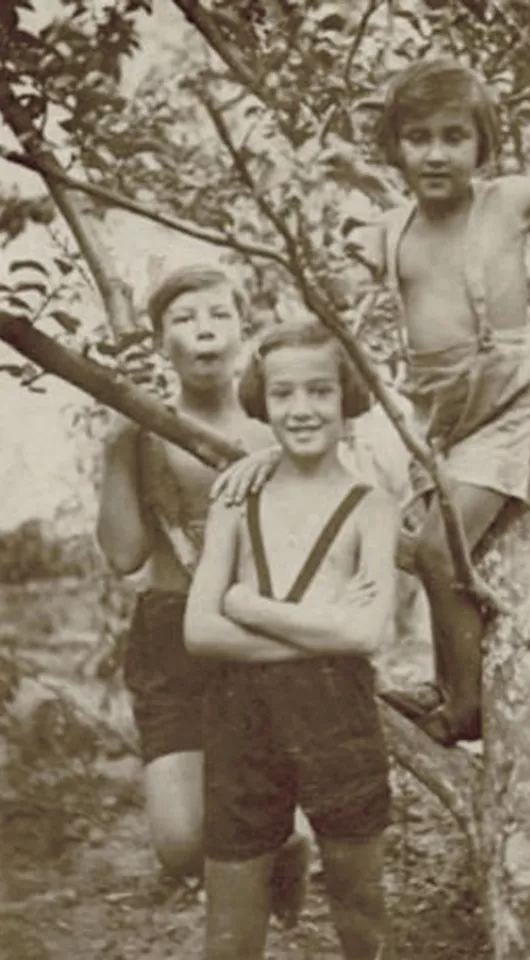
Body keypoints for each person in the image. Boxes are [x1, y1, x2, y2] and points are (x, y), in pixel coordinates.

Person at [211, 57, 530, 747]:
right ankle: (447, 683)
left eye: (453, 136)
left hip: (504, 401)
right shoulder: (390, 230)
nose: (436, 153)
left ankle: (465, 710)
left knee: (440, 553)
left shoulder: (511, 202)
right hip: (435, 416)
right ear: (394, 147)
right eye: (418, 137)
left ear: (482, 143)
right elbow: (332, 314)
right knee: (440, 552)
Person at [96, 265, 308, 921]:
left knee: (247, 814)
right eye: (183, 320)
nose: (204, 330)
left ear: (244, 330)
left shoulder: (277, 433)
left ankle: (274, 855)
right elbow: (125, 555)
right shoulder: (142, 431)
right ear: (162, 343)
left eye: (218, 314)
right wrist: (118, 442)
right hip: (169, 633)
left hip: (254, 634)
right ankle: (282, 847)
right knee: (181, 842)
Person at [184, 321, 399, 960]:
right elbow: (199, 631)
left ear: (346, 395)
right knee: (230, 921)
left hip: (339, 717)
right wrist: (329, 632)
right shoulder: (236, 500)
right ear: (262, 399)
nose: (301, 408)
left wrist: (247, 604)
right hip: (240, 716)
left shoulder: (371, 507)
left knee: (359, 902)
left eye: (319, 391)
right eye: (282, 393)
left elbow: (367, 631)